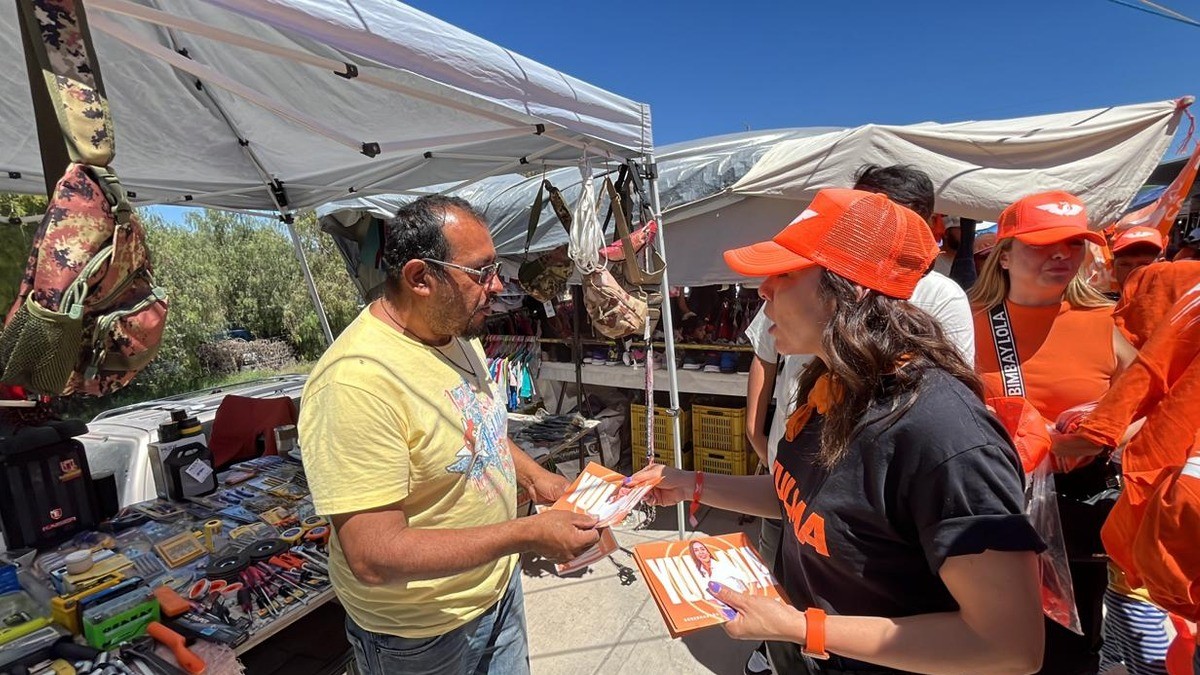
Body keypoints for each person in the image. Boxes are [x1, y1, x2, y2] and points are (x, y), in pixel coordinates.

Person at [637, 188, 1045, 674]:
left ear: (849, 290)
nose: (764, 290)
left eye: (785, 273)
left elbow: (1010, 646)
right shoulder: (832, 381)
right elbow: (801, 497)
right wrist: (694, 484)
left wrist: (801, 628)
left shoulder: (943, 434)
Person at [298, 195, 600, 675]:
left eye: (495, 267)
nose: (497, 285)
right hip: (420, 634)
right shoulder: (355, 382)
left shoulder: (456, 335)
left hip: (495, 592)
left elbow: (481, 433)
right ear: (421, 278)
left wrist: (540, 479)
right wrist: (526, 533)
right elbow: (373, 555)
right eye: (480, 273)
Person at [968, 190, 1139, 675]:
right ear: (1004, 255)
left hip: (1078, 515)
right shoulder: (966, 324)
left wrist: (1105, 434)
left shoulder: (1109, 322)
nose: (1063, 254)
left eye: (1074, 243)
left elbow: (1154, 410)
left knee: (1069, 649)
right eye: (1044, 244)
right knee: (986, 643)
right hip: (989, 506)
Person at [852, 165, 975, 364]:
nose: (861, 221)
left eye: (878, 212)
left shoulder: (941, 295)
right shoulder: (826, 277)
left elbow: (954, 383)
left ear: (920, 219)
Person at [689, 541, 747, 620]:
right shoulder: (701, 572)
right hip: (726, 610)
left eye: (702, 549)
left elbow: (749, 579)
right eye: (696, 550)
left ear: (708, 552)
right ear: (694, 555)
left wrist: (746, 602)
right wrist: (719, 610)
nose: (701, 552)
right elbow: (709, 596)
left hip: (739, 605)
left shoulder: (722, 565)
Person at [1111, 226, 1165, 291]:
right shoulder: (1100, 300)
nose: (1133, 270)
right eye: (1125, 264)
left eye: (1144, 265)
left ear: (1162, 265)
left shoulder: (1177, 299)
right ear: (1113, 267)